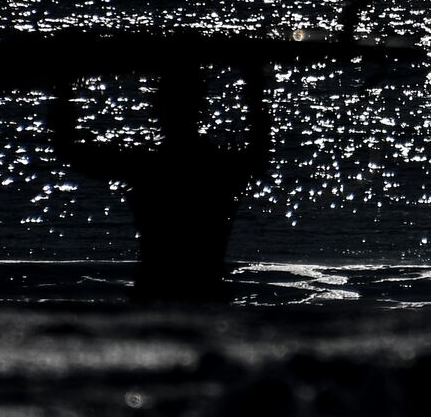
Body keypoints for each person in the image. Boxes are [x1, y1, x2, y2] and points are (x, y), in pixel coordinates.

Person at [46, 61, 272, 300]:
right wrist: (254, 80)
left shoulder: (144, 167)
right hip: (206, 292)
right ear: (201, 107)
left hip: (155, 290)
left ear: (158, 108)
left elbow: (68, 149)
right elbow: (260, 144)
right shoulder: (225, 169)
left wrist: (63, 85)